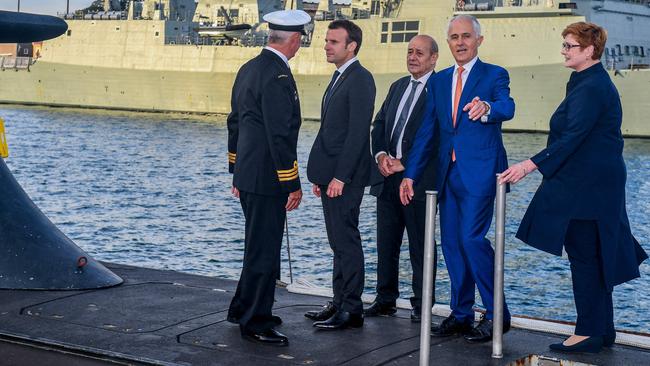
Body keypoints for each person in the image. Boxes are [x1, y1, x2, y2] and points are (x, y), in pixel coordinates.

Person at [499, 22, 648, 353]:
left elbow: (573, 136)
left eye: (569, 46)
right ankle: (602, 328)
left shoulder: (592, 87)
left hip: (589, 187)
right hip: (595, 183)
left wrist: (527, 165)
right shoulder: (587, 81)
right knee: (594, 254)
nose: (564, 50)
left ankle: (588, 331)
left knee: (584, 255)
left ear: (589, 50)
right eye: (564, 45)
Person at [400, 14, 514, 343]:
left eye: (466, 36)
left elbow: (507, 106)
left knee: (471, 240)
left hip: (480, 173)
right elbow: (427, 132)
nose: (460, 42)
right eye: (454, 37)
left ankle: (497, 314)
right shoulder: (439, 80)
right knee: (451, 245)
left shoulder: (495, 74)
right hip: (447, 175)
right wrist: (411, 175)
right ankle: (462, 313)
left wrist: (488, 108)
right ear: (448, 42)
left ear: (479, 40)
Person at [226, 9, 310, 346]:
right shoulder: (277, 75)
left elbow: (235, 122)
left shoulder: (249, 68)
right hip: (268, 179)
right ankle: (256, 322)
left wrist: (236, 170)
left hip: (250, 175)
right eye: (300, 40)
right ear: (293, 39)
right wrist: (291, 182)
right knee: (265, 251)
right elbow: (279, 134)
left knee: (255, 246)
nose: (300, 45)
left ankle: (242, 308)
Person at [304, 19, 376, 330]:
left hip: (345, 178)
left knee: (347, 240)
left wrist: (340, 178)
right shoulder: (340, 77)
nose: (326, 46)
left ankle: (352, 308)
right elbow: (331, 131)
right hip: (331, 176)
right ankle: (338, 302)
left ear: (352, 46)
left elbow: (357, 134)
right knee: (337, 242)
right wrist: (324, 175)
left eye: (334, 42)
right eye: (327, 41)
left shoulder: (360, 79)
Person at [364, 35, 440, 323]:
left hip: (418, 182)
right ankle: (385, 300)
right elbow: (379, 124)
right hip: (386, 181)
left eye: (419, 53)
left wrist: (405, 164)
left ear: (434, 58)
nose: (413, 57)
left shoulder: (440, 89)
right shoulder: (398, 86)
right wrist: (382, 156)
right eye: (409, 52)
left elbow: (439, 138)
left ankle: (422, 305)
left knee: (421, 247)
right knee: (386, 244)